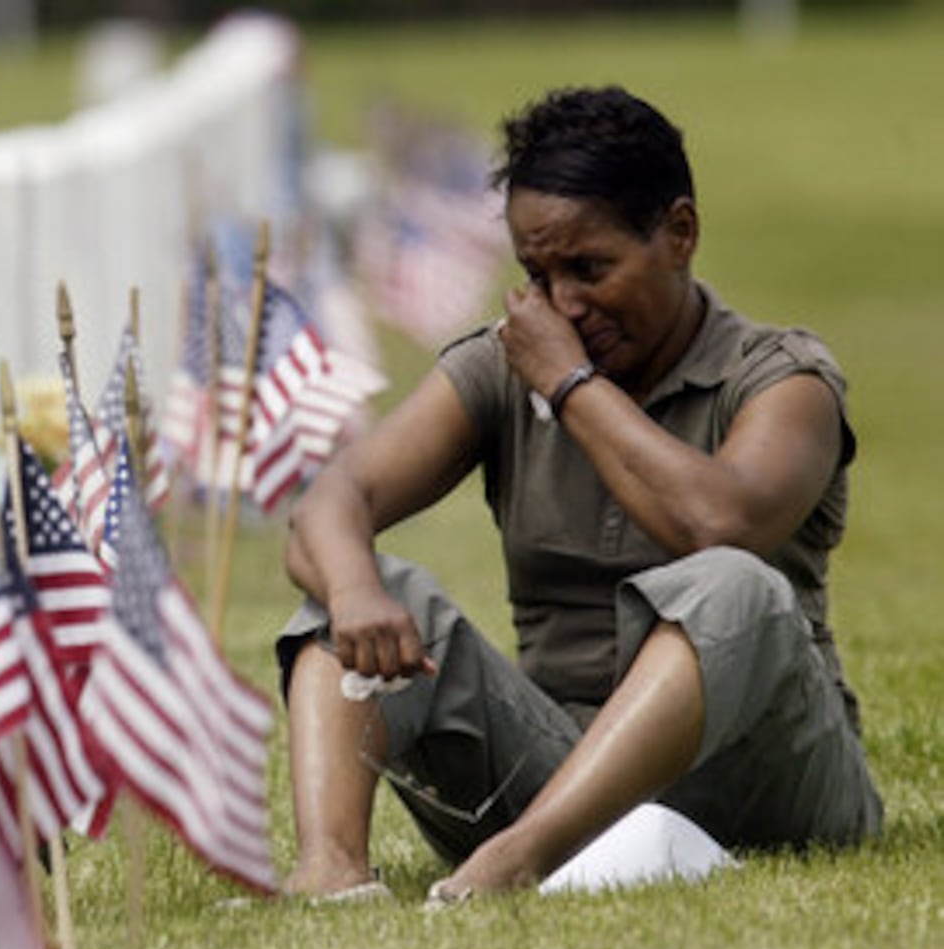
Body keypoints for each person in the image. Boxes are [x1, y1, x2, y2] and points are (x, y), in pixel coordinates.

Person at [277, 85, 881, 905]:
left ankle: (520, 860)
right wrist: (353, 593)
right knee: (358, 583)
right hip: (559, 772)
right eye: (538, 274)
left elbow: (719, 521)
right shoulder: (502, 365)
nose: (563, 304)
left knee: (734, 583)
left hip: (767, 783)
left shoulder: (781, 378)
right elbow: (329, 501)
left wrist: (569, 383)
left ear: (679, 233)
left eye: (590, 269)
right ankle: (331, 872)